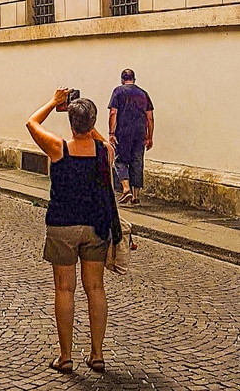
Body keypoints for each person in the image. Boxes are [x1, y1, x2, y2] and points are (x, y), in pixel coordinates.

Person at [27, 89, 119, 375]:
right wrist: (90, 125)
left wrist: (55, 102)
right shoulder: (105, 151)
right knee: (96, 289)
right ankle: (97, 354)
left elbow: (32, 123)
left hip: (63, 225)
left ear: (71, 122)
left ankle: (65, 357)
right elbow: (100, 140)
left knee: (64, 289)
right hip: (95, 227)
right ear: (93, 123)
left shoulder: (58, 149)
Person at [108, 68, 154, 207]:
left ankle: (126, 188)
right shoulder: (143, 94)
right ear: (134, 79)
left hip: (123, 132)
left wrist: (111, 133)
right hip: (140, 133)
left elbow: (113, 113)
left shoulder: (118, 91)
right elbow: (150, 118)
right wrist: (150, 137)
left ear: (122, 79)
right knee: (137, 162)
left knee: (120, 160)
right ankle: (135, 197)